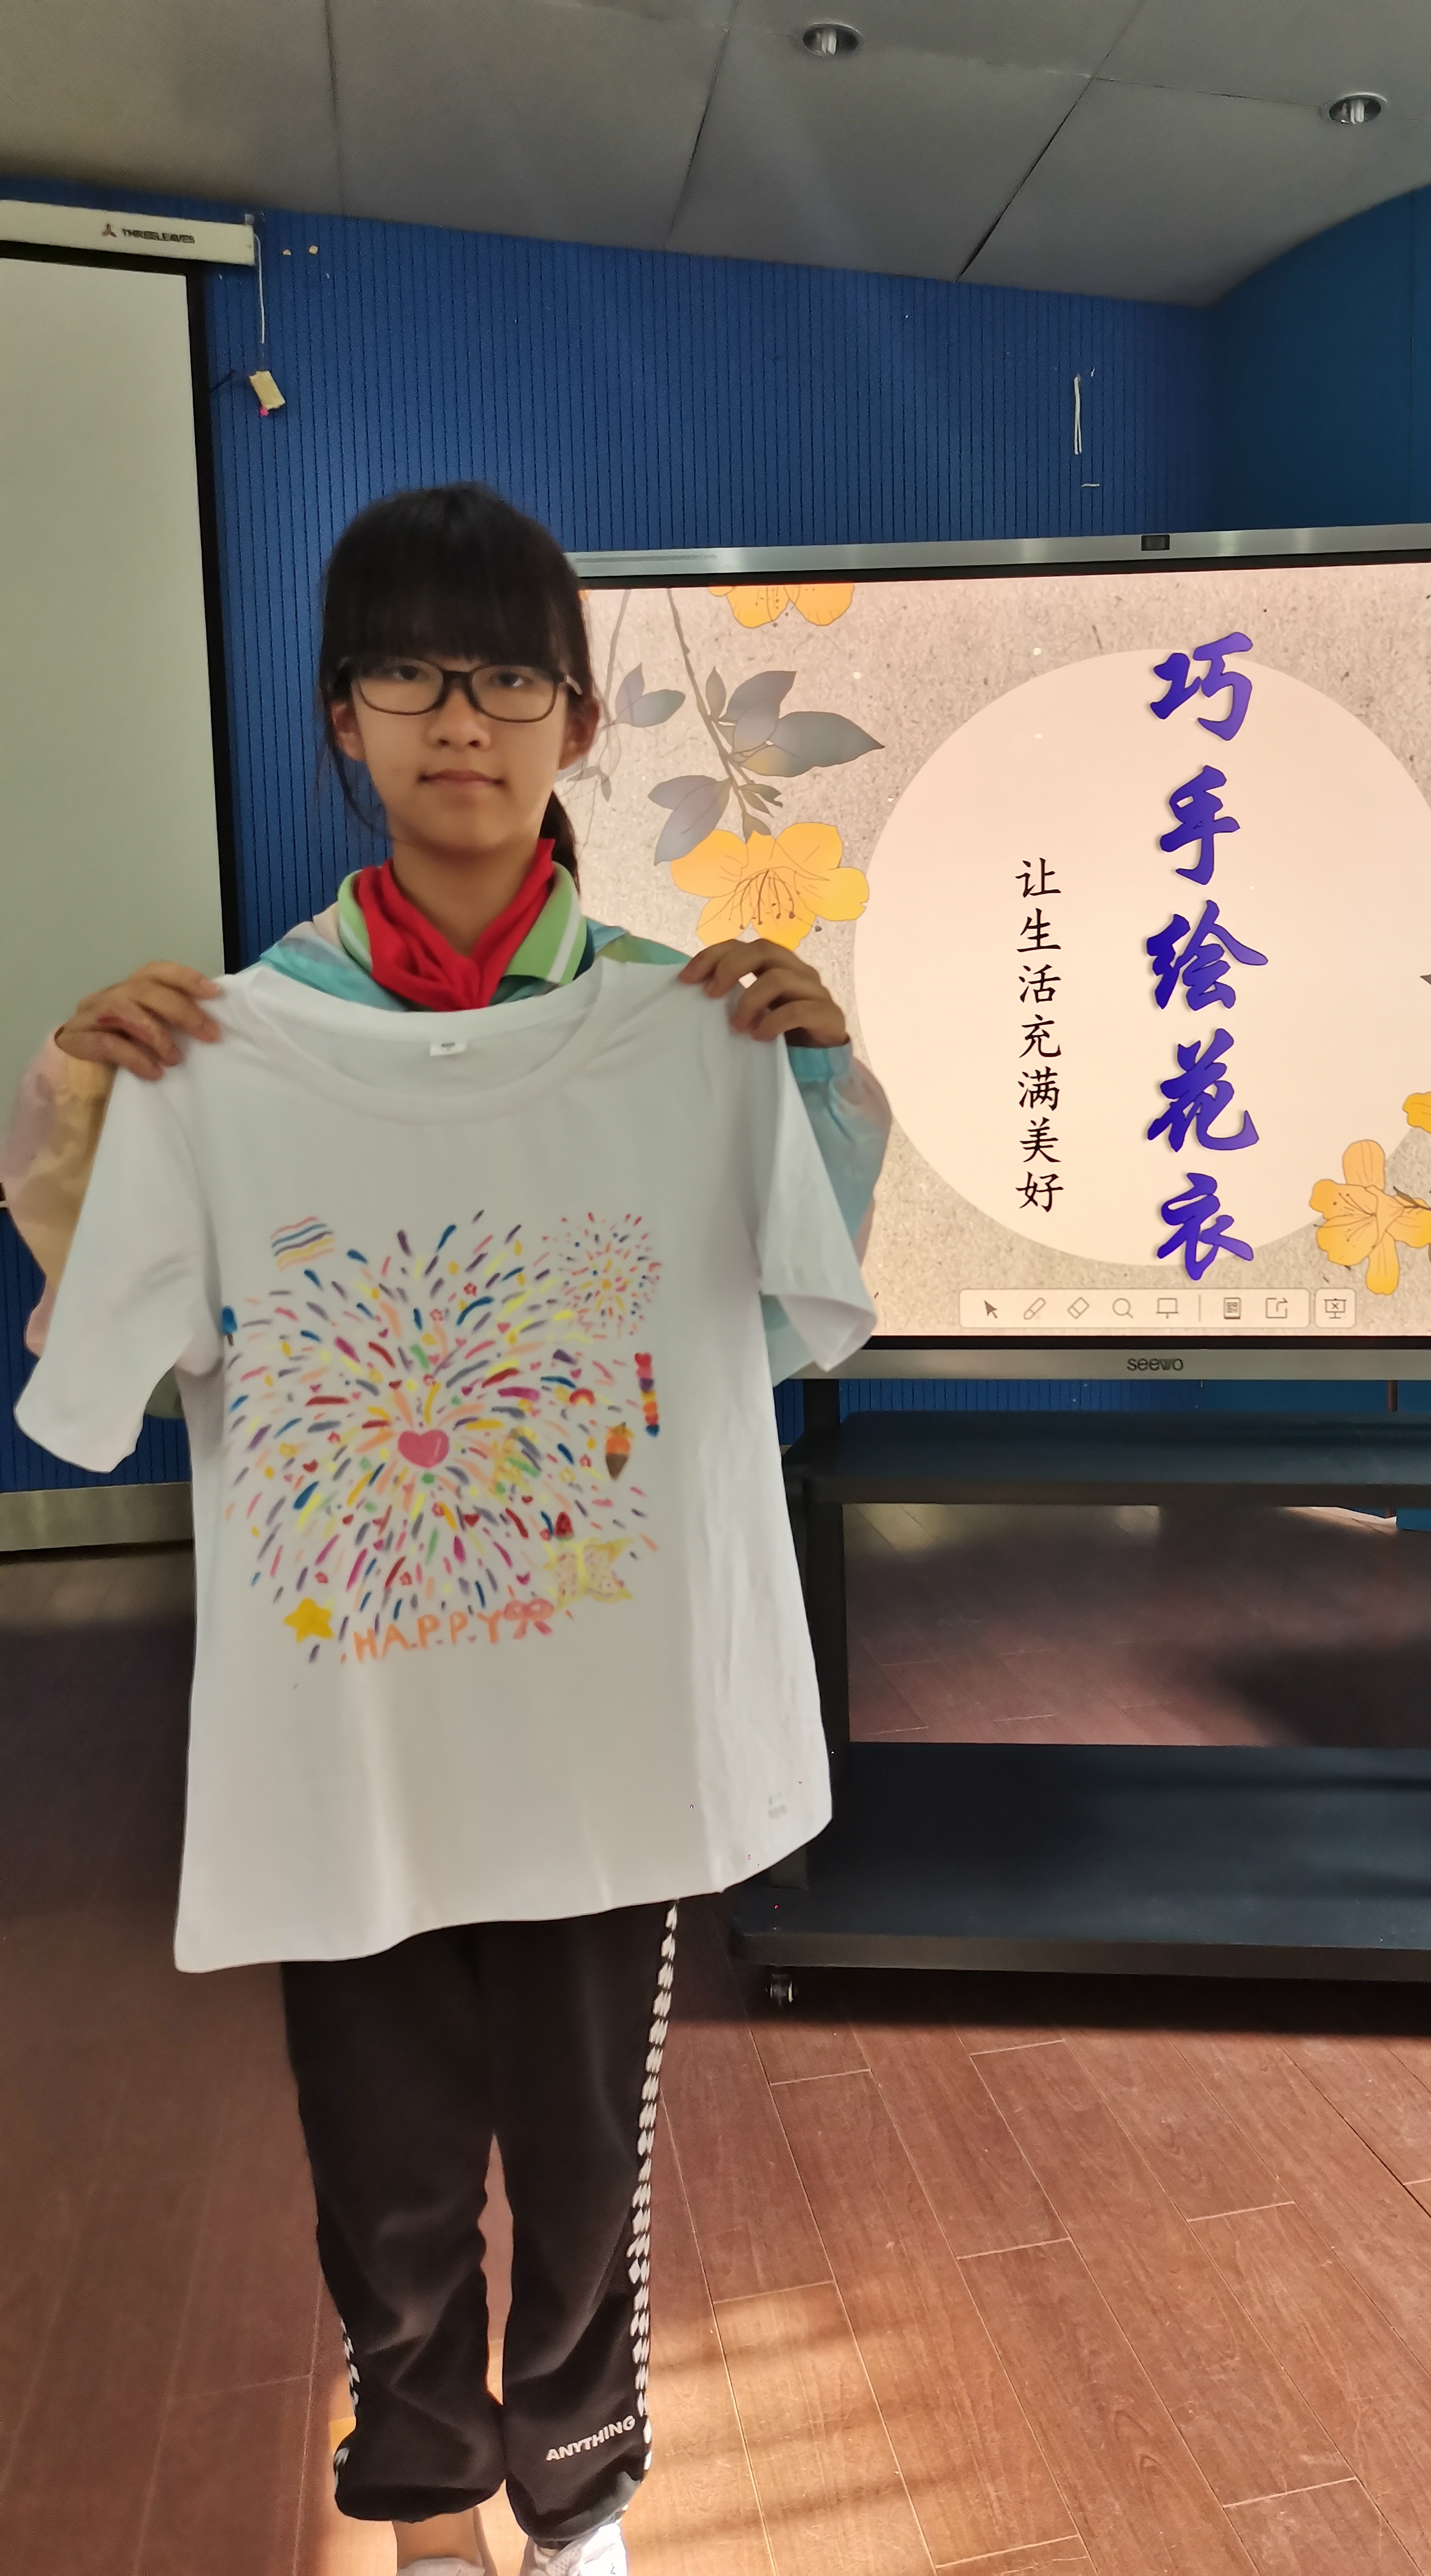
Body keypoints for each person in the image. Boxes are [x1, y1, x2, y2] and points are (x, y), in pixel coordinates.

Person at [1, 484, 890, 2576]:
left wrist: (817, 1088)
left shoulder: (694, 1022)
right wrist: (83, 1113)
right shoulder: (223, 1041)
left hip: (602, 1730)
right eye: (405, 671)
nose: (458, 718)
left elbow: (791, 1318)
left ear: (576, 719)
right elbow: (110, 1352)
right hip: (359, 1732)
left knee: (589, 2154)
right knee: (380, 2152)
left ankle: (573, 2495)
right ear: (342, 718)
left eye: (504, 675)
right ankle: (418, 2497)